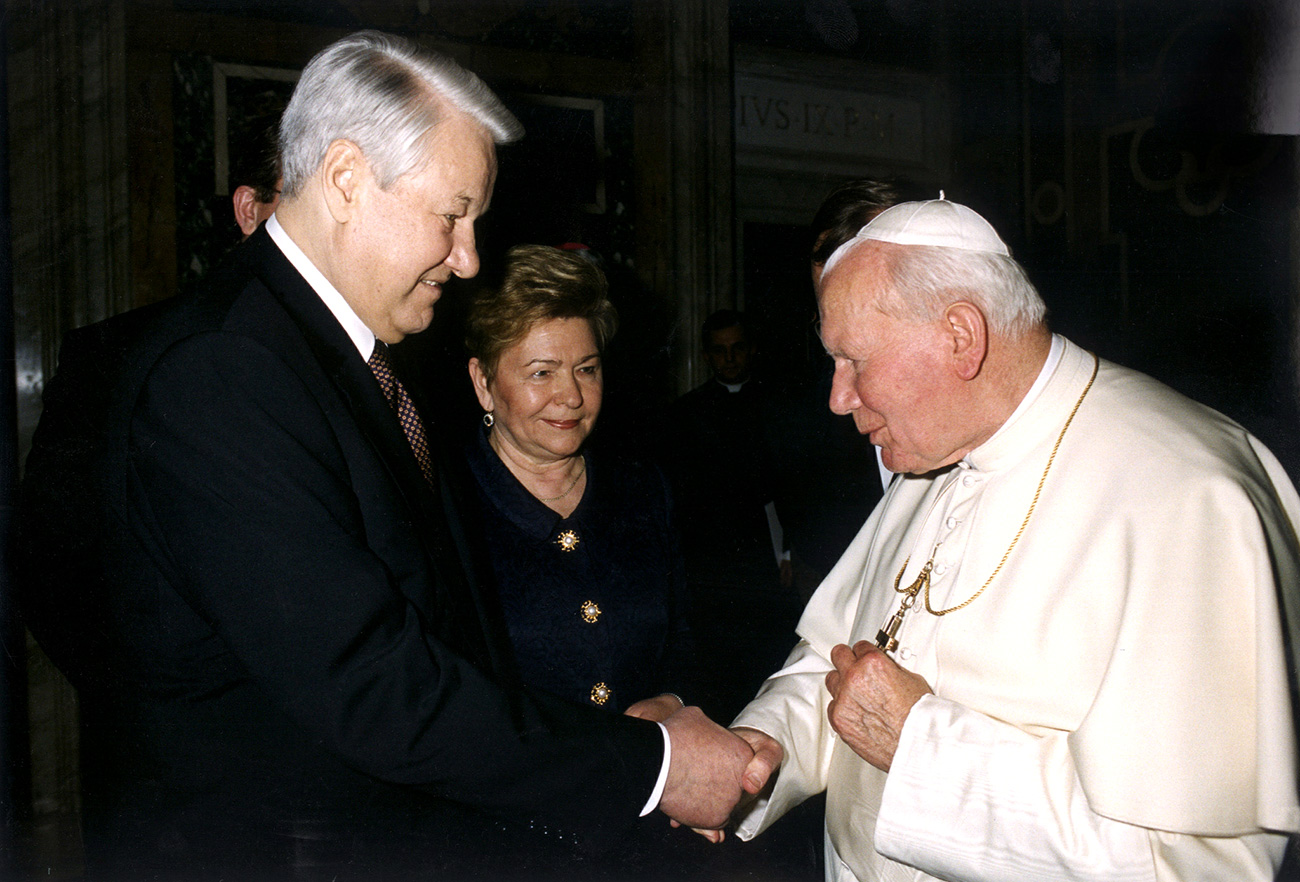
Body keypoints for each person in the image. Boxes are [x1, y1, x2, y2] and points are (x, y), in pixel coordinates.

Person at [17, 30, 750, 880]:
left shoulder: (331, 355)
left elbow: (449, 636)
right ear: (345, 180)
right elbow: (374, 688)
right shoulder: (227, 368)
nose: (469, 258)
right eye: (452, 215)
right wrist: (653, 767)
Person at [722, 196, 1300, 881]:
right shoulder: (937, 446)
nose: (837, 398)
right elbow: (837, 661)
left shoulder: (1190, 498)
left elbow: (1200, 865)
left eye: (854, 361)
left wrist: (922, 748)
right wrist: (756, 752)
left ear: (960, 337)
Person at [464, 243, 691, 722]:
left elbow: (689, 634)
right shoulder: (447, 504)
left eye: (586, 369)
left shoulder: (642, 489)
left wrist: (671, 700)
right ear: (483, 383)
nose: (570, 396)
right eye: (541, 372)